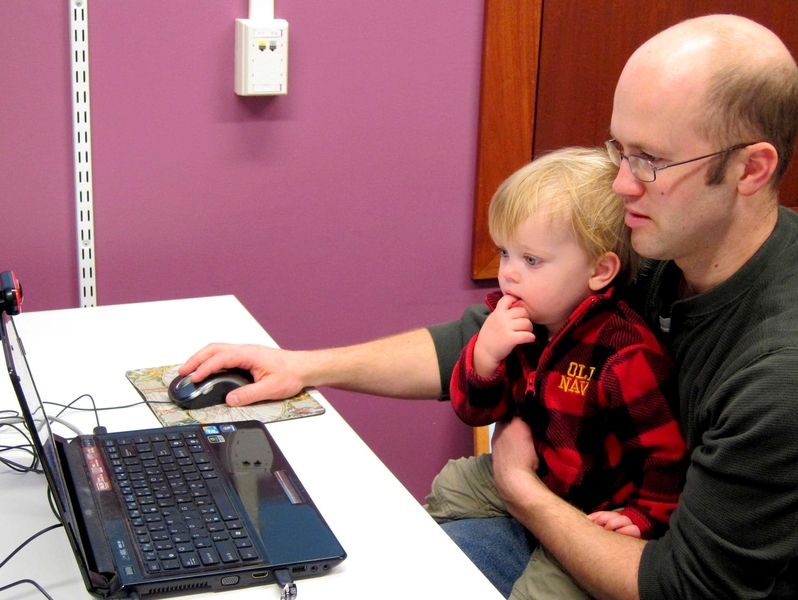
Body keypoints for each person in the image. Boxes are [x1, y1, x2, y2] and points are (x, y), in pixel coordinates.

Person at [179, 14, 798, 599]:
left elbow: (679, 587)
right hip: (577, 509)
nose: (620, 184)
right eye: (620, 151)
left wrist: (521, 488)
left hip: (644, 562)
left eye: (652, 161)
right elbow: (480, 338)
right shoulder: (665, 240)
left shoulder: (776, 376)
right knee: (398, 558)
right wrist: (303, 366)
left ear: (751, 169)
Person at [426, 147, 687, 599]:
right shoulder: (525, 323)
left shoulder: (624, 356)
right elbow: (476, 411)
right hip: (548, 472)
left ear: (599, 271)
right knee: (451, 484)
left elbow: (665, 457)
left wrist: (646, 517)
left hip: (592, 513)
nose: (508, 275)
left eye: (531, 261)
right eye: (505, 253)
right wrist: (484, 357)